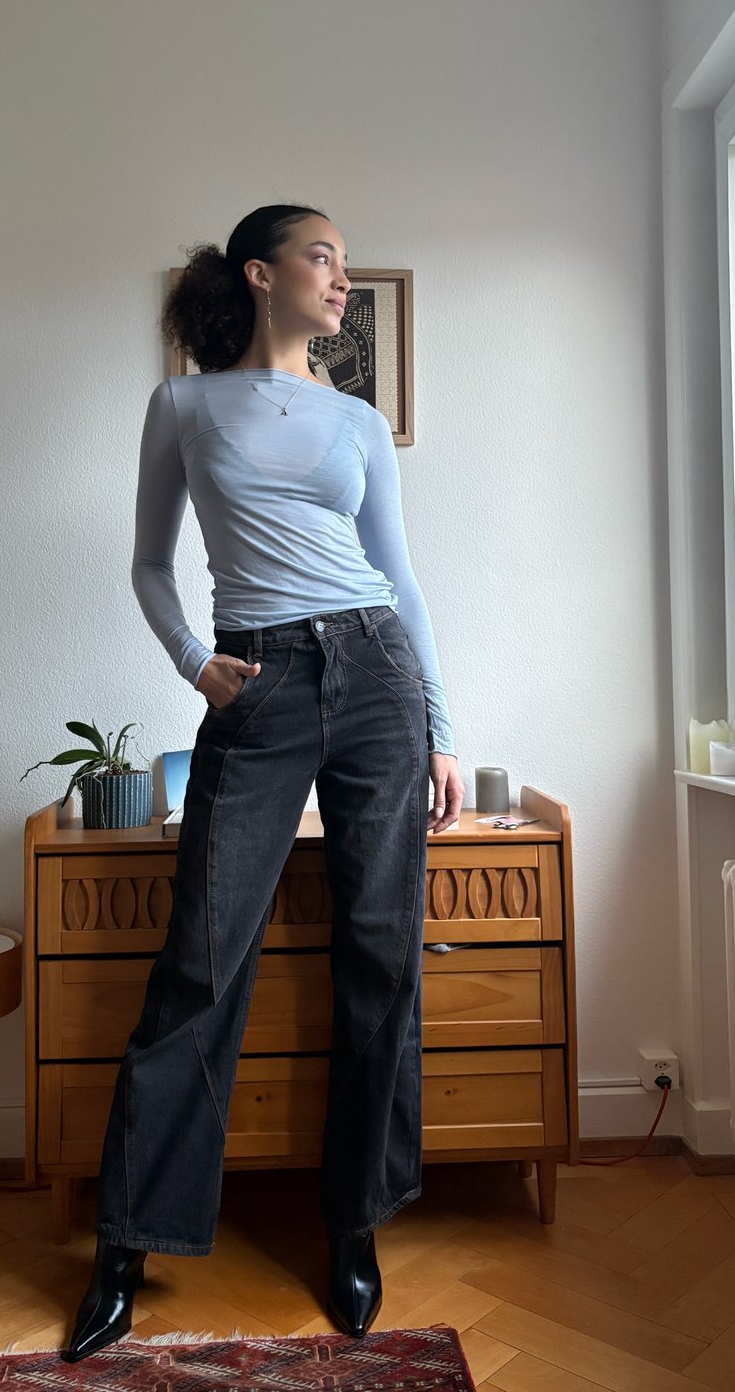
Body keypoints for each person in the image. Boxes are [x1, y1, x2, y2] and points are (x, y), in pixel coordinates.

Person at [62, 204, 464, 1362]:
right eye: (322, 254)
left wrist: (440, 723)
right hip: (261, 678)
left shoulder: (355, 419)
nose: (338, 275)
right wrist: (196, 662)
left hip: (378, 673)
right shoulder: (183, 403)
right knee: (201, 956)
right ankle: (127, 1244)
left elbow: (401, 577)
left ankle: (353, 1221)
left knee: (381, 952)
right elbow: (147, 559)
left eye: (341, 258)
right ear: (262, 271)